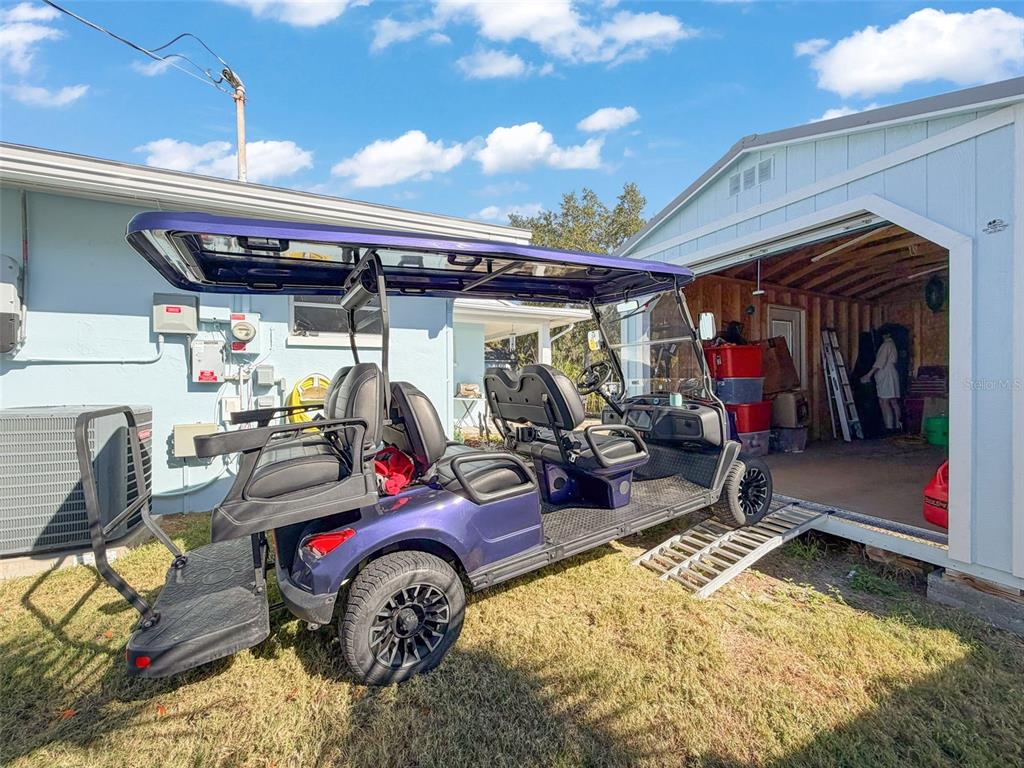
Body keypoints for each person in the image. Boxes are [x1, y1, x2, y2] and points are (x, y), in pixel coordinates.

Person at [861, 331, 902, 432]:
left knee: (884, 402)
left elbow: (880, 362)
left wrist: (868, 375)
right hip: (891, 374)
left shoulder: (886, 345)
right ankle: (898, 426)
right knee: (893, 402)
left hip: (886, 375)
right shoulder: (892, 344)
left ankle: (889, 428)